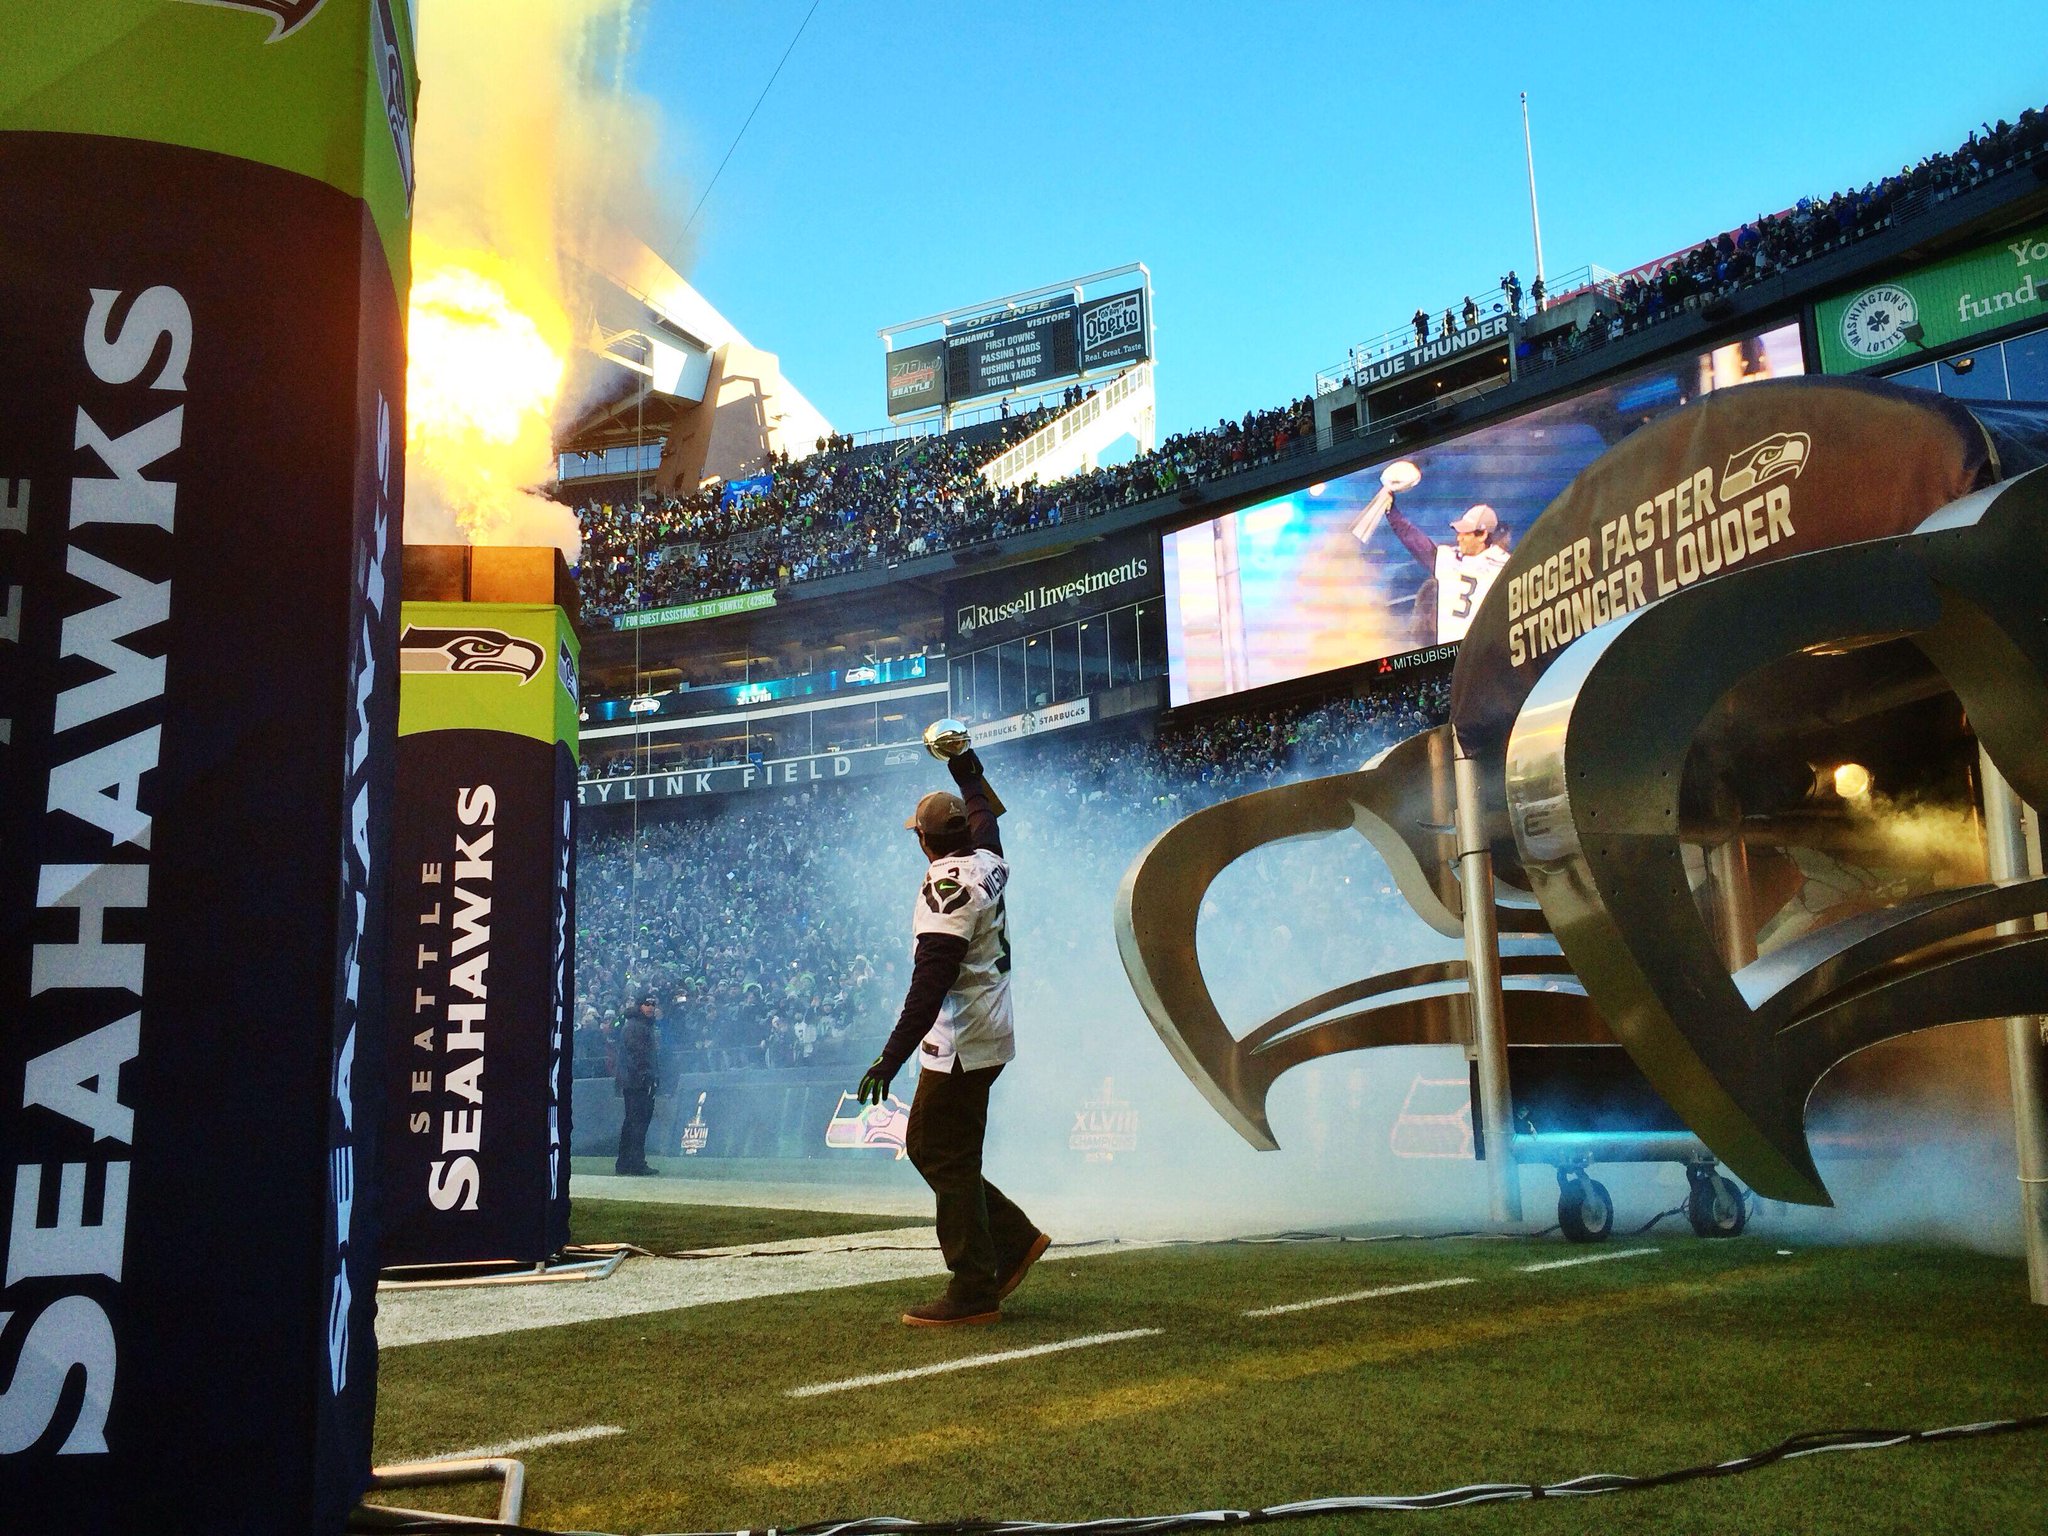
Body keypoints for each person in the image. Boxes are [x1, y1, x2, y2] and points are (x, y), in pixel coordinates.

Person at [856, 743, 1048, 1327]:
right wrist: (966, 768)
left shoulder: (945, 892)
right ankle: (1012, 1239)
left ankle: (974, 1286)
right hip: (988, 1026)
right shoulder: (987, 859)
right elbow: (985, 816)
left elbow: (929, 987)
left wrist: (889, 1058)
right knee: (935, 1148)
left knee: (942, 1152)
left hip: (961, 1039)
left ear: (925, 841)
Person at [1383, 499, 1511, 643]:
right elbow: (1415, 541)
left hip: (1479, 651)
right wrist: (1392, 512)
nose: (1459, 538)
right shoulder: (1449, 557)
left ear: (1482, 535)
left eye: (1465, 533)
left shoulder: (1504, 568)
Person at [615, 994, 660, 1175]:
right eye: (647, 1004)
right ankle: (635, 1163)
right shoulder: (636, 1026)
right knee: (638, 1123)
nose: (650, 1007)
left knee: (632, 1122)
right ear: (639, 1005)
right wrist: (646, 1076)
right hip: (637, 1082)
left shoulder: (637, 1025)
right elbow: (637, 1055)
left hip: (633, 1081)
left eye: (653, 1004)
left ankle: (625, 1163)